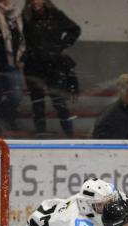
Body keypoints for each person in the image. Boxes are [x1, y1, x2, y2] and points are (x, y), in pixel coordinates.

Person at [22, 0, 80, 137]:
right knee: (37, 101)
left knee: (58, 100)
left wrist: (59, 46)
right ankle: (40, 132)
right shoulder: (25, 16)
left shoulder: (55, 15)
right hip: (33, 64)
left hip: (53, 64)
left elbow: (75, 30)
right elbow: (19, 38)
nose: (36, 2)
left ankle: (68, 133)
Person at [0, 0, 25, 131]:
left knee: (16, 96)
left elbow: (21, 37)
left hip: (13, 62)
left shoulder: (15, 12)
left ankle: (5, 115)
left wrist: (21, 56)